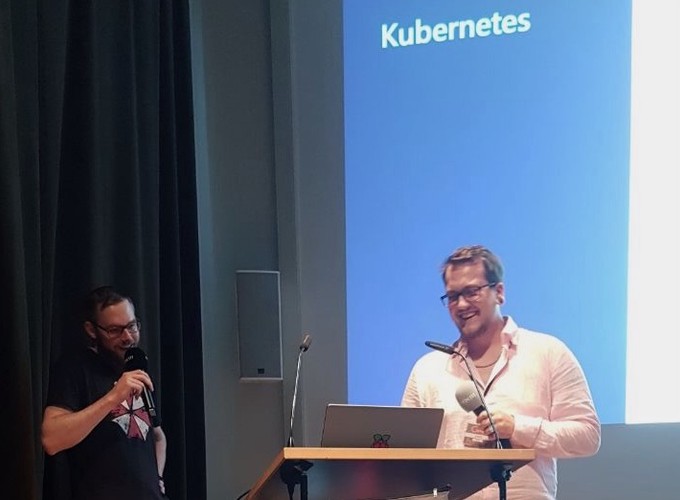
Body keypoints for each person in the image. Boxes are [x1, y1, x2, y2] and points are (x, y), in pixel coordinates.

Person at [401, 245, 600, 500]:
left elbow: (587, 436)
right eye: (452, 296)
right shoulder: (427, 370)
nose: (461, 304)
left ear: (500, 292)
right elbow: (405, 456)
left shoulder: (548, 352)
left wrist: (518, 428)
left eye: (472, 292)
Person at [42, 286, 167, 499]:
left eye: (132, 326)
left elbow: (158, 436)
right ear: (92, 330)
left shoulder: (137, 370)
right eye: (115, 330)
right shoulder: (75, 368)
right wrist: (114, 396)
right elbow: (51, 439)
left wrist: (158, 478)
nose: (128, 337)